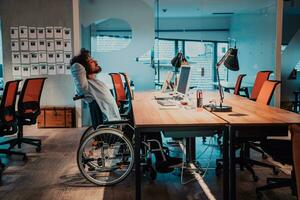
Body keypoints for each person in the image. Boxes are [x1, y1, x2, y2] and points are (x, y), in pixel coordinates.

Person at [70, 48, 182, 173]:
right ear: (84, 67)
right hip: (114, 128)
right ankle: (161, 160)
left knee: (148, 121)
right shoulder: (87, 87)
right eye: (90, 61)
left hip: (117, 124)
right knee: (149, 123)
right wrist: (80, 63)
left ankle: (162, 158)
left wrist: (87, 61)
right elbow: (76, 69)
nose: (95, 61)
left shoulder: (94, 82)